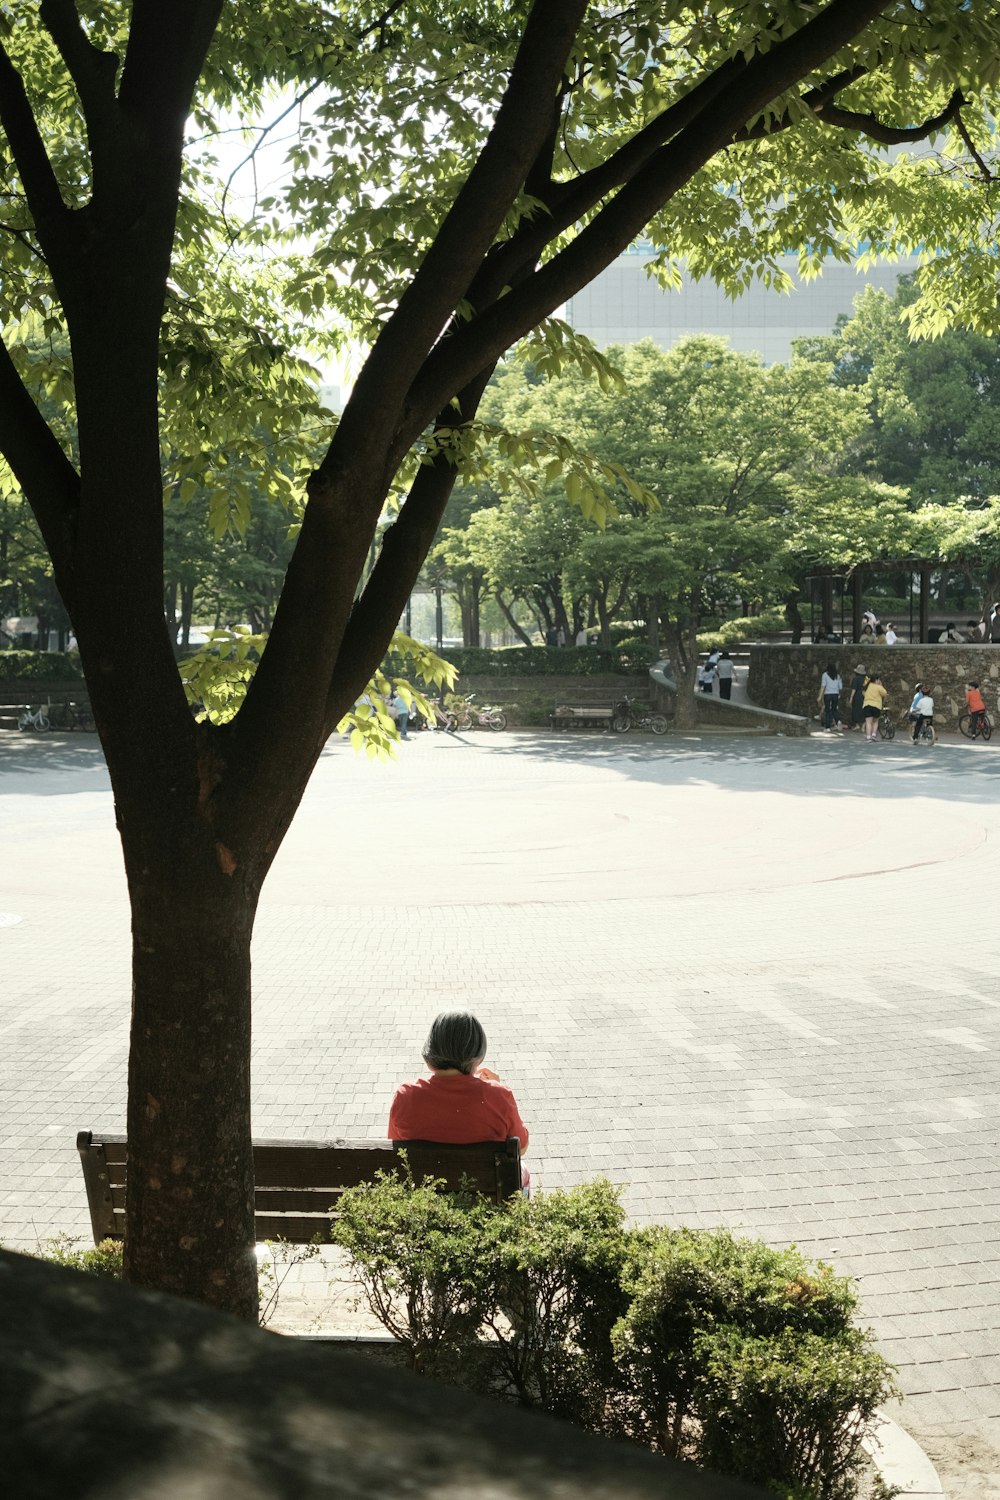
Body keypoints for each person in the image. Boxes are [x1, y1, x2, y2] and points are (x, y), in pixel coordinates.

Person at [388, 1012, 530, 1187]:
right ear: (477, 1053)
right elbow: (521, 1148)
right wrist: (495, 1089)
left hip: (426, 1195)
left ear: (430, 1049)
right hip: (483, 1194)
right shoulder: (499, 1096)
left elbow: (395, 1148)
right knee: (523, 1170)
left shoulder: (405, 1096)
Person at [861, 672, 887, 741]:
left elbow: (863, 693)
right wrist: (881, 685)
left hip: (867, 705)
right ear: (877, 680)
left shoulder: (868, 686)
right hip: (876, 706)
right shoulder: (878, 687)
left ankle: (868, 736)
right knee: (875, 721)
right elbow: (885, 693)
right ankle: (874, 734)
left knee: (868, 722)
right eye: (879, 680)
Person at [819, 661, 842, 729]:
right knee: (834, 710)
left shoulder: (825, 675)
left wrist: (820, 696)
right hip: (835, 694)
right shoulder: (837, 676)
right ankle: (838, 721)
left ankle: (828, 727)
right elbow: (840, 687)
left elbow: (823, 686)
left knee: (827, 710)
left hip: (828, 694)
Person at [849, 664, 867, 730]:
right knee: (864, 710)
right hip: (865, 695)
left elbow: (854, 689)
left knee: (855, 710)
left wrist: (851, 698)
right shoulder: (866, 680)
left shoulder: (855, 679)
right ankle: (863, 726)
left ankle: (857, 725)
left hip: (857, 696)